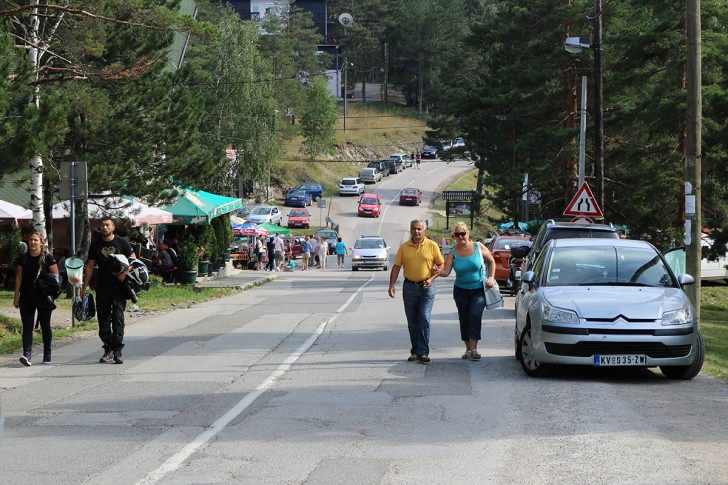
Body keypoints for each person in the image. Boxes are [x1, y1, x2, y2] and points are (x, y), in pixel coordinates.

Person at [388, 219, 444, 363]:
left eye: (419, 229)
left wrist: (432, 277)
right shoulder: (404, 247)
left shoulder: (432, 246)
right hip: (409, 287)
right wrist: (391, 285)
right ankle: (415, 351)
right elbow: (396, 267)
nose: (416, 231)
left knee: (424, 317)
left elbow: (441, 265)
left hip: (427, 287)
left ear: (424, 230)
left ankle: (423, 352)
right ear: (410, 230)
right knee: (412, 321)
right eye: (414, 229)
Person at [81, 217, 136, 364]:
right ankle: (108, 349)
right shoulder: (95, 245)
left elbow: (134, 261)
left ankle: (117, 349)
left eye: (107, 225)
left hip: (119, 287)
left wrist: (125, 272)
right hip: (102, 287)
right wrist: (84, 286)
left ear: (113, 228)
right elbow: (90, 267)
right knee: (103, 319)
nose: (104, 227)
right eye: (102, 225)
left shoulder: (122, 242)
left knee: (118, 317)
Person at [438, 222, 496, 360]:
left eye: (463, 233)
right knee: (464, 319)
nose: (461, 237)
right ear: (454, 237)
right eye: (457, 234)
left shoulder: (478, 247)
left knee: (474, 315)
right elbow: (446, 272)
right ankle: (468, 349)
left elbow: (491, 261)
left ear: (468, 234)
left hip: (478, 289)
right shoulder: (452, 253)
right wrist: (437, 272)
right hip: (460, 291)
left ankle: (474, 349)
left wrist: (491, 278)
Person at [13, 231, 60, 366]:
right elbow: (19, 277)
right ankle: (27, 354)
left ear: (41, 242)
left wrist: (51, 290)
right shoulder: (23, 258)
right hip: (27, 296)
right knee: (27, 326)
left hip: (43, 297)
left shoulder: (48, 258)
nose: (32, 242)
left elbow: (56, 276)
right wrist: (16, 297)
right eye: (31, 240)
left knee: (45, 325)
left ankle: (47, 353)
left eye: (35, 240)